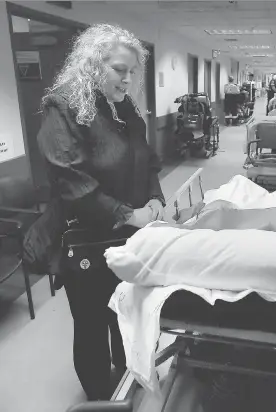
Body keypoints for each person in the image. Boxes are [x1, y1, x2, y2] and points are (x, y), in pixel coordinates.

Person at [37, 23, 165, 401]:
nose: (127, 80)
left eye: (132, 72)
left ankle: (128, 385)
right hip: (89, 241)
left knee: (125, 315)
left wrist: (155, 198)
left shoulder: (124, 108)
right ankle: (98, 398)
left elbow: (148, 161)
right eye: (119, 70)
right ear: (93, 66)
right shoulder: (63, 105)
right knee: (92, 326)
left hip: (130, 237)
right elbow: (70, 180)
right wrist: (129, 214)